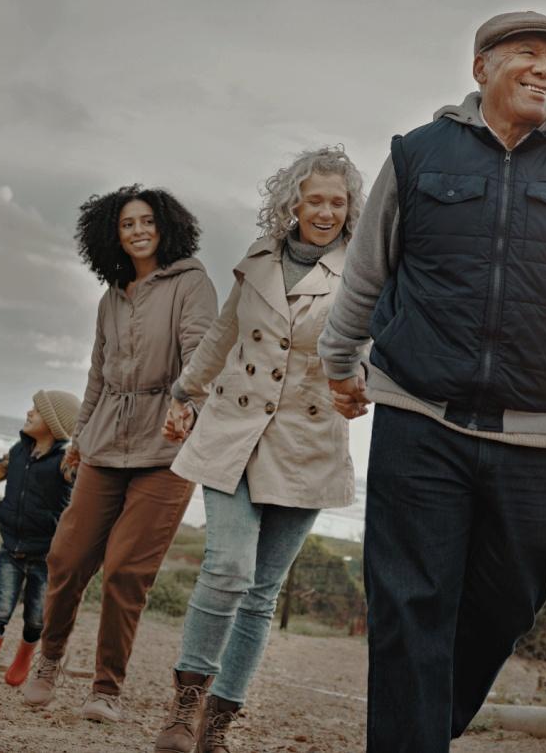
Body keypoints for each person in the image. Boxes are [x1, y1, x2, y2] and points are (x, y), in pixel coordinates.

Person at [318, 11, 546, 752]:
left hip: (531, 433)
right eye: (528, 54)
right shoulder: (417, 155)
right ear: (481, 67)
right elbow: (367, 271)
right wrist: (338, 362)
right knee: (408, 605)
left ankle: (421, 726)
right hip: (417, 415)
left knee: (511, 600)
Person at [152, 146, 364, 753]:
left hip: (307, 444)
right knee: (229, 569)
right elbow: (222, 335)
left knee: (262, 593)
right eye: (314, 198)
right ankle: (182, 706)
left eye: (337, 201)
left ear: (350, 210)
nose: (325, 210)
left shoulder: (362, 272)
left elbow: (370, 345)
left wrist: (360, 387)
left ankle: (215, 728)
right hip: (231, 433)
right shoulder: (257, 260)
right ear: (291, 203)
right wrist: (185, 393)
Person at [22, 185, 218, 723]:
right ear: (113, 234)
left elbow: (202, 349)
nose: (137, 230)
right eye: (127, 223)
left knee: (126, 571)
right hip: (105, 441)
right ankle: (51, 658)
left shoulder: (191, 282)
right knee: (66, 556)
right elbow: (97, 376)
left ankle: (106, 688)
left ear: (166, 226)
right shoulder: (112, 296)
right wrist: (80, 439)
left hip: (169, 447)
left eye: (146, 221)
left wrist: (188, 401)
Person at [0, 389, 80, 692]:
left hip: (46, 555)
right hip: (11, 547)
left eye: (37, 411)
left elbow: (80, 477)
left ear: (53, 423)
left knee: (36, 619)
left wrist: (82, 455)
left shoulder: (64, 461)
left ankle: (24, 658)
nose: (29, 413)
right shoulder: (19, 451)